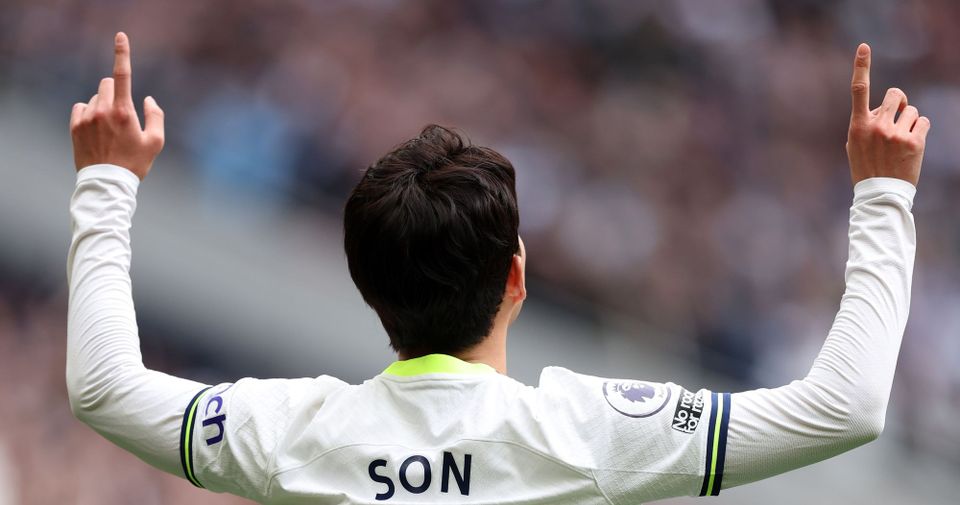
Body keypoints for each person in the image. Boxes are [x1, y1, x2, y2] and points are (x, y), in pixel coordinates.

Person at [67, 33, 930, 503]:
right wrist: (884, 195)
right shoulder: (585, 432)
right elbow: (845, 408)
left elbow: (103, 388)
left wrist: (106, 181)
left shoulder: (291, 434)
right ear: (517, 277)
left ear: (369, 287)